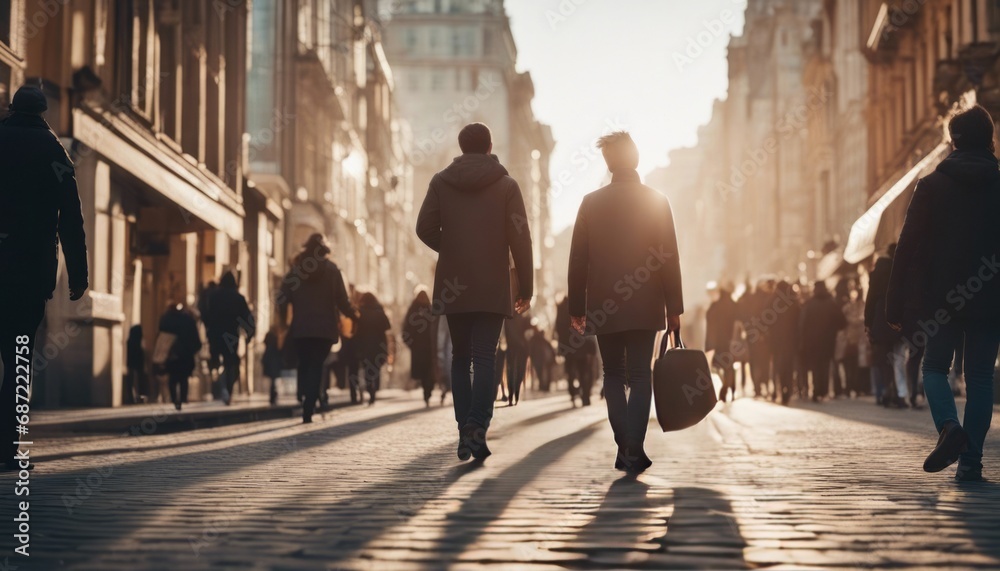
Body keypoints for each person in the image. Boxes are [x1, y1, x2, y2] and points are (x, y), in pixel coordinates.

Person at [886, 104, 1000, 482]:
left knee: (934, 367)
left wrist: (894, 303)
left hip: (942, 298)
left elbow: (907, 246)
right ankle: (971, 462)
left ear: (952, 142)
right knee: (981, 375)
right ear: (990, 138)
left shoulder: (931, 185)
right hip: (990, 296)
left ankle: (950, 428)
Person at [416, 122, 533, 461]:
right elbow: (521, 238)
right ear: (489, 147)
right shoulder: (507, 185)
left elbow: (424, 228)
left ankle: (464, 431)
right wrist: (525, 286)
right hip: (492, 284)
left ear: (461, 146)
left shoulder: (441, 181)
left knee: (460, 357)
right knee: (485, 356)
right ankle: (476, 427)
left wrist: (452, 248)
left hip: (455, 285)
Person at [568, 131, 683, 474]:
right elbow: (669, 258)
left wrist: (577, 308)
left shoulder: (591, 202)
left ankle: (626, 446)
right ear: (636, 158)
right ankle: (634, 444)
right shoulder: (656, 200)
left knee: (613, 374)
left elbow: (578, 260)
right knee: (639, 373)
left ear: (608, 163)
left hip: (604, 304)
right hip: (646, 303)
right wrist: (674, 308)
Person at [0, 86, 89, 471]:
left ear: (12, 108)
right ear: (43, 112)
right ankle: (8, 449)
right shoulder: (55, 152)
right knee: (18, 360)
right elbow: (71, 218)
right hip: (29, 272)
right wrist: (78, 275)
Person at [278, 234, 357, 423]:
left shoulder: (295, 271)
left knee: (305, 363)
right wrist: (355, 316)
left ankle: (306, 397)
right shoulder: (332, 270)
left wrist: (283, 321)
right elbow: (342, 301)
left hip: (301, 328)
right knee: (317, 365)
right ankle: (310, 403)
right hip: (325, 329)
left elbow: (282, 297)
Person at [865, 243, 909, 408]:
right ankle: (899, 393)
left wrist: (868, 322)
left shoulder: (877, 272)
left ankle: (887, 391)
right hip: (898, 319)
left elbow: (870, 299)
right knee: (898, 358)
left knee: (883, 360)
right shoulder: (901, 270)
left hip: (880, 319)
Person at [208, 271, 255, 405]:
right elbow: (247, 318)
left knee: (216, 361)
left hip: (215, 334)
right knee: (231, 364)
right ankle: (227, 389)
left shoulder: (213, 297)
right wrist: (249, 335)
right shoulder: (238, 298)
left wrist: (208, 330)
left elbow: (207, 315)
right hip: (231, 335)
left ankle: (218, 388)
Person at [799, 281, 847, 402]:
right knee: (825, 366)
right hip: (828, 341)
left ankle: (816, 390)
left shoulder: (810, 304)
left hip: (813, 342)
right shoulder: (831, 303)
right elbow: (842, 321)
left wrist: (803, 341)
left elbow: (803, 325)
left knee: (815, 366)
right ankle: (823, 390)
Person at [156, 302, 202, 411]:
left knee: (172, 378)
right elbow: (195, 340)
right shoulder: (188, 320)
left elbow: (161, 334)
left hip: (171, 354)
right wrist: (194, 349)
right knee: (183, 378)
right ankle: (182, 398)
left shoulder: (166, 319)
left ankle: (174, 399)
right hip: (185, 354)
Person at [356, 292, 392, 406]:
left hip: (364, 344)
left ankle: (370, 388)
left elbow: (357, 330)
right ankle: (374, 390)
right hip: (379, 345)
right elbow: (387, 326)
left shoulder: (360, 312)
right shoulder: (379, 311)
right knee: (375, 368)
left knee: (367, 368)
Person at [705, 284, 740, 402]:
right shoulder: (733, 305)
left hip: (720, 342)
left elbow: (710, 321)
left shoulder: (715, 306)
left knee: (722, 367)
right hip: (731, 341)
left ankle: (724, 390)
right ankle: (731, 389)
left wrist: (710, 343)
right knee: (729, 367)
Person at [769, 281, 801, 405]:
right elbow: (799, 319)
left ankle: (781, 390)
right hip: (791, 339)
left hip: (777, 341)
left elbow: (766, 321)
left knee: (779, 367)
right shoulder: (793, 300)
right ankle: (788, 389)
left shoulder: (773, 300)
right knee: (789, 366)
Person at [404, 289, 437, 407]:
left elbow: (406, 328)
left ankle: (426, 392)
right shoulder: (431, 309)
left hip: (418, 347)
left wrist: (410, 343)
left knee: (423, 371)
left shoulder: (413, 309)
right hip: (429, 347)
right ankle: (428, 391)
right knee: (429, 371)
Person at [504, 311, 531, 406]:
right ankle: (515, 394)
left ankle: (512, 395)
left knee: (511, 369)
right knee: (519, 369)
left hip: (511, 345)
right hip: (521, 346)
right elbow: (528, 331)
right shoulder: (525, 311)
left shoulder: (509, 312)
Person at [262, 326, 284, 406]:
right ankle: (273, 396)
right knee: (273, 380)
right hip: (274, 361)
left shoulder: (269, 340)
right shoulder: (276, 338)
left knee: (273, 380)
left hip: (271, 360)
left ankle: (273, 396)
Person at [125, 324, 145, 405]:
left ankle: (132, 398)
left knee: (132, 382)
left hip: (131, 364)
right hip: (137, 364)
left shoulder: (130, 342)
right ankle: (137, 398)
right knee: (137, 381)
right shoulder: (138, 343)